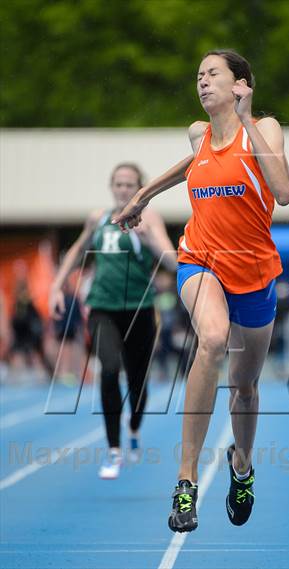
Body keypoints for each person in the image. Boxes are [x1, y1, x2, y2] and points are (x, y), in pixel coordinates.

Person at [113, 49, 289, 532]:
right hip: (201, 259)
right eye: (199, 75)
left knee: (246, 387)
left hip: (254, 270)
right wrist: (142, 195)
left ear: (240, 83)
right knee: (211, 339)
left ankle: (242, 466)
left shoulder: (266, 128)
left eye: (213, 74)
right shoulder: (199, 134)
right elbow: (190, 162)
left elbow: (284, 191)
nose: (202, 81)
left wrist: (246, 117)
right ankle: (187, 482)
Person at [49, 162, 177, 479]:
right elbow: (78, 249)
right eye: (118, 184)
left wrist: (147, 239)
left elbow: (172, 262)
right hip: (103, 307)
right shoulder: (99, 218)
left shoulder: (150, 218)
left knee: (138, 385)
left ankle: (133, 426)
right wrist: (56, 285)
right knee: (108, 370)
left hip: (140, 309)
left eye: (129, 185)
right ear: (112, 187)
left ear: (140, 189)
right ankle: (114, 450)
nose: (123, 190)